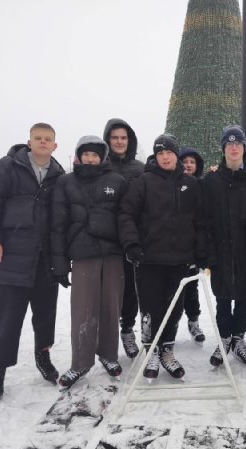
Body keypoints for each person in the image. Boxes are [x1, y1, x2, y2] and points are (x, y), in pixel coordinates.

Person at [0, 122, 65, 402]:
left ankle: (43, 356)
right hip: (10, 257)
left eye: (48, 139)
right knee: (8, 318)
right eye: (38, 138)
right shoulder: (7, 167)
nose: (43, 142)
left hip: (44, 259)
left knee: (45, 315)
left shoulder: (59, 175)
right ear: (29, 142)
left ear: (55, 145)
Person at [119, 134, 206, 380]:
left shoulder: (191, 184)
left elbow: (200, 221)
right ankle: (151, 352)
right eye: (160, 153)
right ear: (155, 157)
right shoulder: (143, 182)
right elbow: (126, 214)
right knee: (150, 309)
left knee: (174, 308)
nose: (165, 157)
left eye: (169, 152)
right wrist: (131, 243)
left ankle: (167, 350)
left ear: (176, 155)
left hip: (179, 259)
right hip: (148, 259)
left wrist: (200, 251)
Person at [51, 136, 127, 388]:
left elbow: (126, 218)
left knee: (111, 307)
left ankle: (108, 355)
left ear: (103, 157)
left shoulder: (117, 181)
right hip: (83, 254)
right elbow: (58, 224)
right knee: (83, 310)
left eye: (95, 155)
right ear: (79, 156)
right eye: (86, 154)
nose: (90, 159)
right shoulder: (66, 182)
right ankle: (80, 363)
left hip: (113, 254)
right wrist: (60, 262)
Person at [204, 125, 246, 368]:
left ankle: (238, 338)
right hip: (221, 250)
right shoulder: (212, 179)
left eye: (238, 143)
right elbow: (205, 218)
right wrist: (208, 252)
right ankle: (224, 338)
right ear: (223, 149)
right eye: (229, 144)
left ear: (244, 147)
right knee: (223, 297)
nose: (234, 147)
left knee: (244, 297)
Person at [103, 118, 145, 359]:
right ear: (108, 140)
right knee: (108, 293)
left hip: (131, 239)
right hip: (106, 240)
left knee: (130, 290)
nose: (119, 142)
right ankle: (106, 339)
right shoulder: (101, 166)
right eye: (115, 137)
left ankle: (127, 330)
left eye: (123, 138)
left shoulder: (139, 169)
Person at [179, 147, 207, 343]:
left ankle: (194, 322)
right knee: (172, 290)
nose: (188, 165)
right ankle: (169, 326)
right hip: (172, 247)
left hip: (192, 246)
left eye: (192, 162)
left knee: (191, 288)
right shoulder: (171, 183)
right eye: (185, 161)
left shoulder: (201, 185)